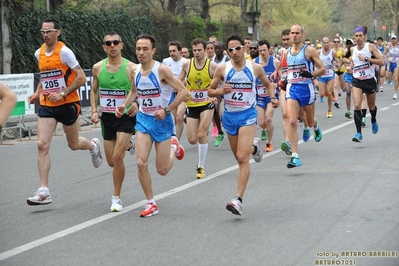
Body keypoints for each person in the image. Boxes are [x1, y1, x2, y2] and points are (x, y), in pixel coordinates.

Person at [26, 18, 103, 206]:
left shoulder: (65, 52)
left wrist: (62, 93)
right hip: (47, 105)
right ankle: (44, 190)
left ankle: (93, 147)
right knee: (42, 145)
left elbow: (81, 77)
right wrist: (37, 94)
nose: (45, 35)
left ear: (58, 32)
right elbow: (46, 78)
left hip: (68, 103)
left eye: (49, 31)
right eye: (43, 32)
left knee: (74, 144)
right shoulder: (39, 53)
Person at [116, 34, 188, 217]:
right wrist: (124, 105)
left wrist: (167, 109)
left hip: (162, 122)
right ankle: (151, 203)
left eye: (145, 49)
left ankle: (173, 145)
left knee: (162, 170)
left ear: (153, 51)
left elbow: (183, 92)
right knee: (140, 162)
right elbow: (134, 91)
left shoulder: (162, 70)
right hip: (144, 120)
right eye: (138, 49)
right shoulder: (134, 70)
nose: (141, 52)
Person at [208, 35, 279, 215]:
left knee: (241, 158)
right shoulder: (222, 69)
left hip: (248, 114)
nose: (234, 52)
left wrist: (273, 97)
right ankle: (254, 148)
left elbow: (269, 84)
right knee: (239, 156)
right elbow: (210, 90)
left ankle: (238, 199)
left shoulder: (254, 68)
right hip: (230, 116)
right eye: (230, 50)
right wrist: (220, 91)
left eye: (237, 48)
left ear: (244, 49)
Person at [90, 31, 137, 212]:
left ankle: (116, 198)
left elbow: (141, 88)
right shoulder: (97, 68)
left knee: (118, 158)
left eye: (115, 42)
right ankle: (129, 144)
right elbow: (93, 91)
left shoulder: (131, 68)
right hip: (107, 117)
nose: (112, 46)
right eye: (108, 43)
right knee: (111, 161)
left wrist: (136, 104)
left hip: (125, 117)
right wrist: (94, 110)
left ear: (121, 45)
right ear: (104, 47)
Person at [285, 24, 325, 168]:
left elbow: (323, 69)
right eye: (292, 33)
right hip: (292, 89)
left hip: (306, 89)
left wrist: (311, 74)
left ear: (303, 35)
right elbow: (287, 70)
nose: (294, 35)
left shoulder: (309, 51)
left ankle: (315, 125)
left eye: (297, 33)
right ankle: (295, 156)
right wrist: (284, 79)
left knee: (308, 120)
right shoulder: (286, 52)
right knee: (293, 121)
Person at [179, 38, 217, 179]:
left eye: (199, 50)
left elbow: (220, 81)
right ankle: (201, 128)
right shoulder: (187, 65)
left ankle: (200, 167)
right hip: (192, 104)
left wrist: (215, 94)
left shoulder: (211, 66)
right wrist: (182, 92)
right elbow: (178, 81)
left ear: (205, 50)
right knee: (192, 140)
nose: (197, 53)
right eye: (194, 50)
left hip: (207, 103)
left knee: (201, 135)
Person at [350, 25, 383, 142]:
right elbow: (353, 62)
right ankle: (359, 133)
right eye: (356, 36)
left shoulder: (371, 47)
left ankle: (373, 119)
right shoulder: (352, 49)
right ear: (354, 38)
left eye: (360, 36)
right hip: (357, 80)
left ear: (365, 37)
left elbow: (381, 61)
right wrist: (350, 66)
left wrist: (367, 59)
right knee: (357, 105)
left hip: (369, 80)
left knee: (371, 107)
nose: (358, 38)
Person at [254, 39, 280, 152]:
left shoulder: (275, 62)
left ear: (269, 50)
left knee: (268, 119)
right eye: (260, 51)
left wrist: (276, 84)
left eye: (264, 50)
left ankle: (269, 143)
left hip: (271, 96)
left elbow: (283, 79)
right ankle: (264, 129)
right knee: (262, 123)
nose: (263, 53)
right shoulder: (254, 63)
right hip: (259, 96)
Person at [162, 41, 188, 140]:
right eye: (170, 51)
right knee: (173, 120)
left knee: (179, 116)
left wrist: (185, 82)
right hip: (170, 94)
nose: (172, 53)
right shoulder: (165, 61)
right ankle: (172, 138)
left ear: (180, 51)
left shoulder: (186, 62)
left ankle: (176, 141)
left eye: (174, 51)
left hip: (181, 92)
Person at [211, 41, 229, 146]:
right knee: (215, 109)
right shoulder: (212, 60)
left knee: (228, 109)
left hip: (225, 87)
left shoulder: (226, 60)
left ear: (223, 49)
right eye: (216, 48)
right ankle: (220, 132)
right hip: (217, 88)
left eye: (219, 48)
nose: (217, 50)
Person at [317, 37, 338, 118]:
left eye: (327, 42)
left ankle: (329, 110)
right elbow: (315, 61)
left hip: (330, 74)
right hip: (322, 75)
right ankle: (327, 90)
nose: (326, 44)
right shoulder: (318, 52)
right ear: (322, 43)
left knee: (329, 93)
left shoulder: (333, 52)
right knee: (322, 94)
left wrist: (337, 64)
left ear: (329, 43)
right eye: (324, 43)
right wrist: (316, 67)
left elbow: (337, 61)